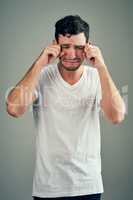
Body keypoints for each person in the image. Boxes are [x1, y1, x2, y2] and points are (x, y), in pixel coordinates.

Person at [6, 15, 125, 200]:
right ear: (54, 44)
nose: (72, 54)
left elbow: (117, 116)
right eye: (65, 47)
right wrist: (40, 63)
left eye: (78, 47)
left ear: (88, 46)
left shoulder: (96, 77)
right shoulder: (41, 76)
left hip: (88, 186)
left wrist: (102, 66)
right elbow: (14, 109)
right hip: (48, 188)